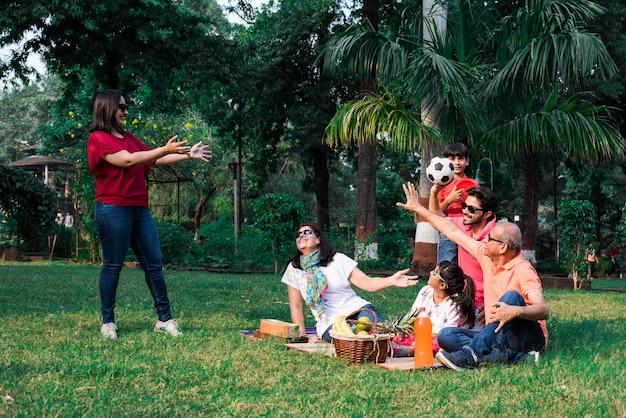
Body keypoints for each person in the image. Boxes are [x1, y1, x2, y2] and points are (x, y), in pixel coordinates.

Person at [87, 89, 210, 340]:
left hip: (138, 210)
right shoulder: (98, 138)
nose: (125, 111)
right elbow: (129, 161)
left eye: (126, 107)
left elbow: (151, 160)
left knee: (154, 263)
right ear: (107, 108)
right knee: (113, 265)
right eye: (121, 107)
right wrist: (163, 150)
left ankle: (164, 319)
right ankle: (108, 322)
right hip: (112, 209)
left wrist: (187, 155)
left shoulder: (128, 137)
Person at [397, 182, 549, 370]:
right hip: (497, 335)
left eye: (490, 239)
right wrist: (419, 208)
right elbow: (451, 231)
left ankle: (471, 355)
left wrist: (515, 311)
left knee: (512, 297)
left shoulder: (522, 269)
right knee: (446, 335)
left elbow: (543, 309)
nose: (485, 241)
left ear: (502, 247)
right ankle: (512, 358)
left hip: (526, 338)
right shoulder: (487, 256)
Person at [281, 223, 418, 343]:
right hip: (330, 322)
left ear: (318, 239)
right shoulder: (294, 269)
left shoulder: (338, 259)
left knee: (384, 336)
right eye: (298, 234)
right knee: (353, 340)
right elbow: (296, 306)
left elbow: (368, 283)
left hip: (357, 309)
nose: (301, 236)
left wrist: (391, 280)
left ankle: (413, 347)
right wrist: (303, 335)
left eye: (307, 232)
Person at [430, 184, 498, 327]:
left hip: (483, 304)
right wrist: (434, 192)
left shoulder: (497, 239)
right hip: (462, 299)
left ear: (487, 214)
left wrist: (494, 303)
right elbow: (436, 217)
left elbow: (505, 277)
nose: (466, 211)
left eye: (472, 209)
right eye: (464, 205)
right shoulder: (463, 224)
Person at [391, 260, 475, 356]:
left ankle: (408, 350)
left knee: (439, 344)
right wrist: (402, 330)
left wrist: (422, 340)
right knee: (396, 336)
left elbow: (445, 334)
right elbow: (413, 315)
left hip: (438, 338)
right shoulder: (425, 291)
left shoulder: (453, 305)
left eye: (435, 273)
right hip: (420, 335)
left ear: (442, 285)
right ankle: (405, 348)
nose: (431, 272)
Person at [436, 143, 479, 264]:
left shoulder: (473, 184)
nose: (457, 162)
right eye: (452, 159)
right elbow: (436, 211)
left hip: (469, 229)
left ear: (467, 161)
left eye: (460, 158)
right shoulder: (441, 184)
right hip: (448, 228)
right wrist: (449, 200)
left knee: (469, 264)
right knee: (447, 264)